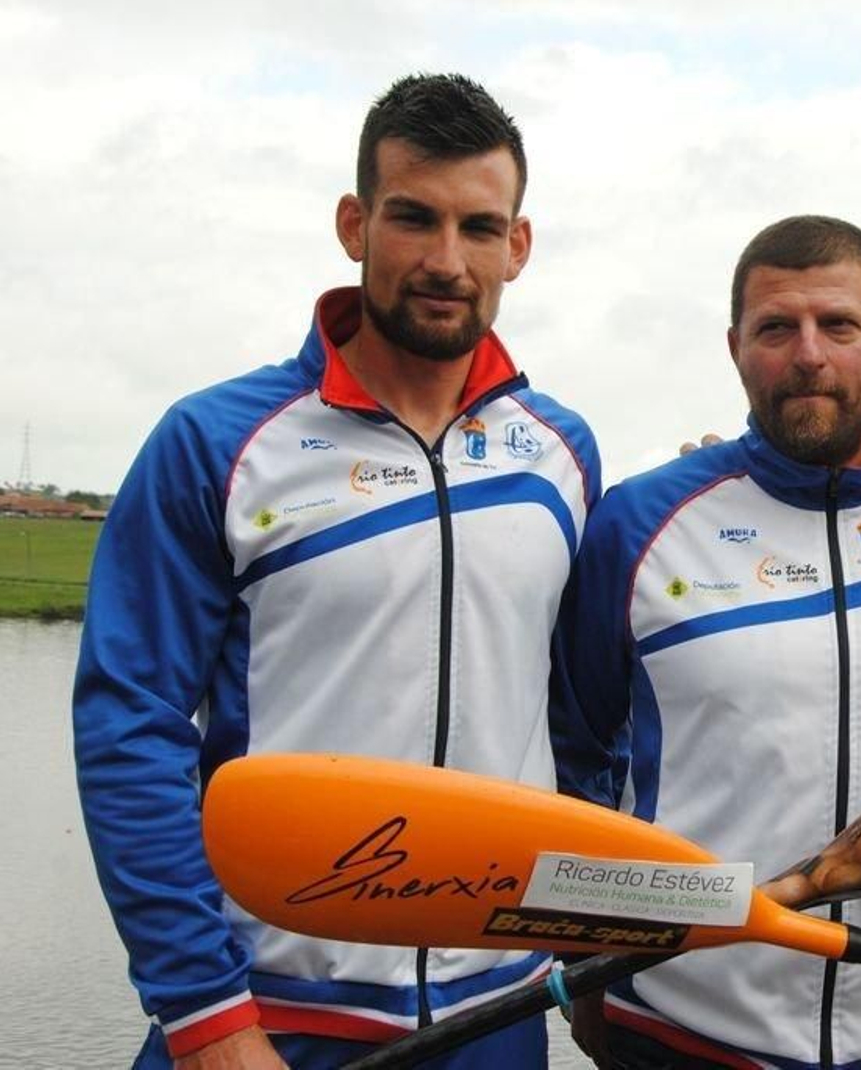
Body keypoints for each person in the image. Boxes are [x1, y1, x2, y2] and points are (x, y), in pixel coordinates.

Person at [72, 73, 599, 1069]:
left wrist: (583, 929)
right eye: (414, 218)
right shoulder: (217, 441)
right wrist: (204, 1012)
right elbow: (129, 727)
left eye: (480, 227)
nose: (446, 261)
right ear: (355, 223)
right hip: (271, 1017)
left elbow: (579, 725)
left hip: (496, 1014)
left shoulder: (561, 453)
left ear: (518, 246)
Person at [554, 215, 861, 1069]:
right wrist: (586, 958)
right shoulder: (638, 524)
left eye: (839, 325)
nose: (808, 354)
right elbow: (569, 759)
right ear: (736, 348)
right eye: (776, 327)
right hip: (678, 1031)